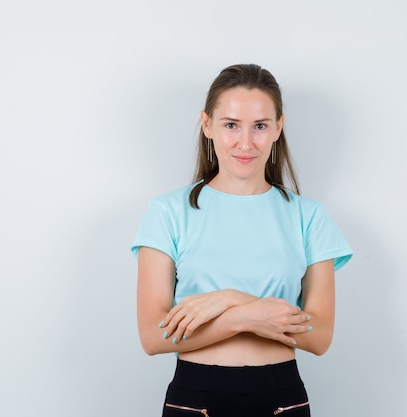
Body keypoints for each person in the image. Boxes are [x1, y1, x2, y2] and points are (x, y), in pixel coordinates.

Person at [131, 64, 352, 417]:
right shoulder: (167, 212)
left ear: (278, 127)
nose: (245, 142)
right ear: (207, 125)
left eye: (260, 126)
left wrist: (228, 299)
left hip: (282, 395)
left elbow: (319, 336)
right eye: (231, 125)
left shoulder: (309, 217)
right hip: (194, 395)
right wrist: (246, 318)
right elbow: (153, 337)